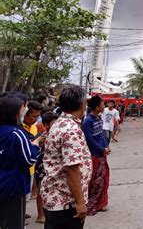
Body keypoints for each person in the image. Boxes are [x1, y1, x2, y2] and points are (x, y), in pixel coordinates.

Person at [41, 85, 92, 229]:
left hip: (57, 197)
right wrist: (80, 202)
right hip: (65, 201)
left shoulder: (60, 123)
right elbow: (71, 169)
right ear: (83, 105)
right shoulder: (71, 130)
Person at [0, 94, 42, 229]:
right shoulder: (17, 134)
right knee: (15, 223)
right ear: (15, 112)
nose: (25, 110)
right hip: (14, 186)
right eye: (23, 108)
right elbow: (29, 159)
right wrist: (35, 145)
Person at [83, 95, 111, 216]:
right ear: (97, 107)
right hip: (94, 155)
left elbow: (101, 135)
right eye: (102, 104)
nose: (104, 106)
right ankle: (92, 203)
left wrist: (106, 146)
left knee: (103, 179)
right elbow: (89, 140)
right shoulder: (88, 121)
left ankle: (101, 202)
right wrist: (101, 149)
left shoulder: (99, 118)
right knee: (95, 181)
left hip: (101, 153)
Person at [34, 111, 59, 224]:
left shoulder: (59, 136)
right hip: (41, 168)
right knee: (40, 191)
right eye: (54, 123)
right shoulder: (41, 137)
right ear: (46, 125)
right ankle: (41, 215)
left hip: (55, 169)